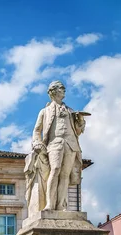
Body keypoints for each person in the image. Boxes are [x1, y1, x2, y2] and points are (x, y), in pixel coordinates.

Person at [30, 81, 86, 211]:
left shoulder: (71, 111)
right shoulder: (45, 111)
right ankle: (50, 204)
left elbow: (77, 131)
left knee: (65, 174)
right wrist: (37, 142)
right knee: (55, 170)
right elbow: (37, 130)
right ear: (53, 91)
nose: (64, 90)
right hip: (54, 143)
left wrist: (81, 121)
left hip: (71, 144)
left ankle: (61, 205)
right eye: (61, 88)